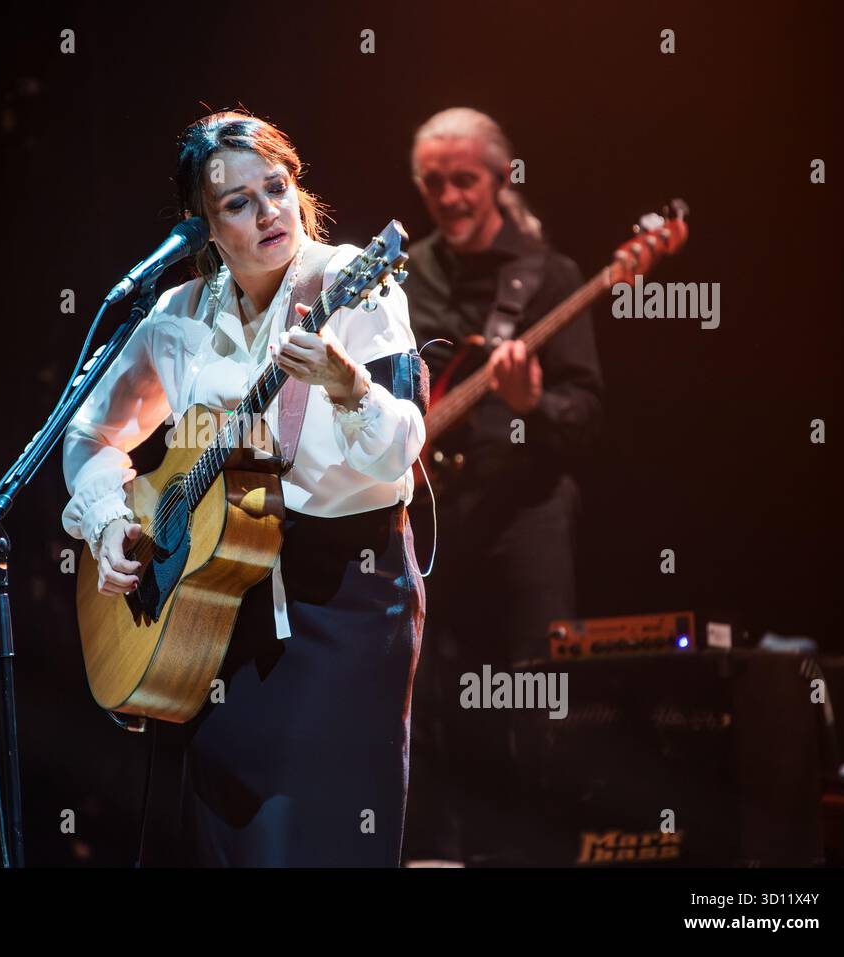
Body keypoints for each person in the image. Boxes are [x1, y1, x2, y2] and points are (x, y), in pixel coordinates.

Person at [61, 110, 428, 866]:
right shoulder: (176, 316)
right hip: (212, 620)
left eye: (278, 187)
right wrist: (106, 524)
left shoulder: (348, 282)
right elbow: (88, 434)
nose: (269, 212)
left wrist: (348, 384)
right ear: (203, 227)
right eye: (237, 202)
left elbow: (398, 458)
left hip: (341, 611)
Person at [400, 108, 604, 864]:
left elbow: (585, 421)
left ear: (499, 178)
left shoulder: (550, 276)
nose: (449, 196)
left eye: (465, 180)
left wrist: (532, 405)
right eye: (434, 182)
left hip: (526, 514)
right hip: (432, 517)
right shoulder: (402, 276)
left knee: (535, 696)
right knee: (426, 698)